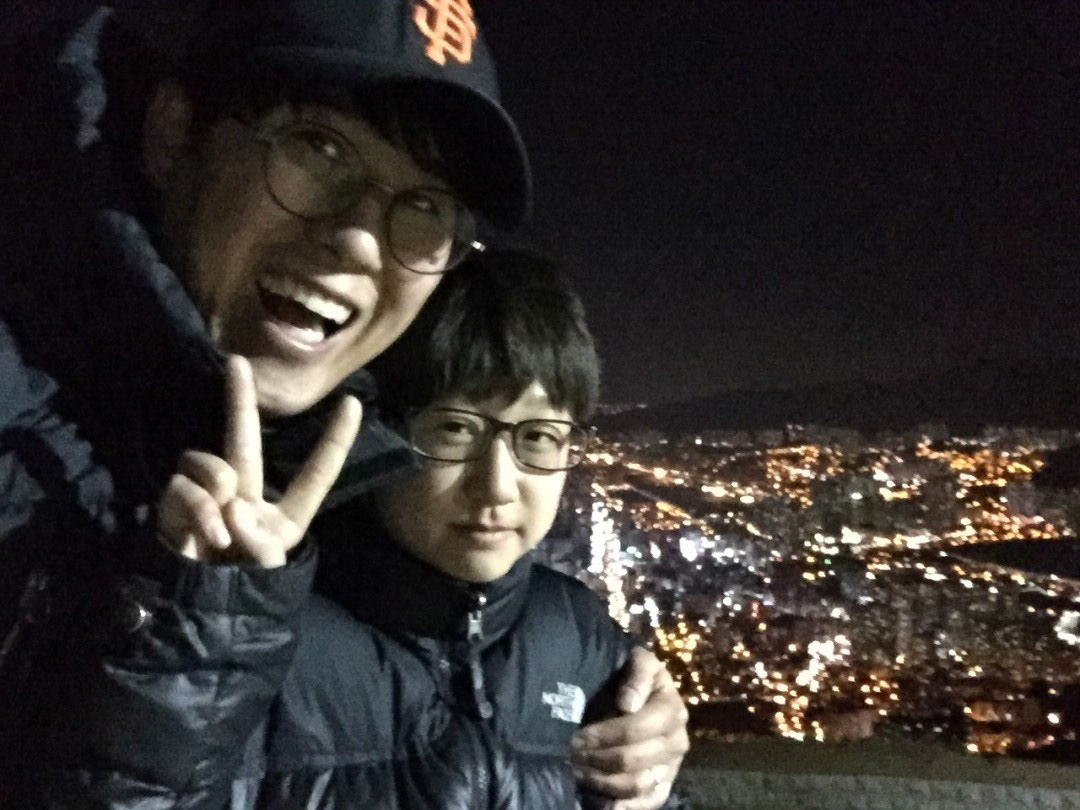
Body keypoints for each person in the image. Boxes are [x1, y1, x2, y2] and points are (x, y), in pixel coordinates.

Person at [0, 2, 687, 804]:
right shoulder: (290, 606)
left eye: (424, 205)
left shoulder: (293, 532)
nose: (360, 240)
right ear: (173, 131)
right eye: (319, 148)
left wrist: (645, 754)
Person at [28, 248, 684, 808]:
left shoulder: (574, 633)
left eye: (538, 437)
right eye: (454, 430)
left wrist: (655, 775)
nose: (497, 485)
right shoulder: (259, 644)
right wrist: (191, 661)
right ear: (378, 434)